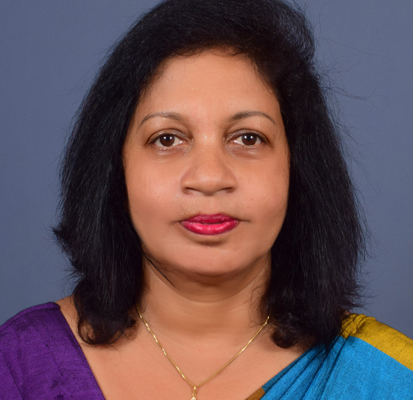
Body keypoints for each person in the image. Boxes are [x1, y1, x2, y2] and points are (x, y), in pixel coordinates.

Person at [1, 0, 412, 399]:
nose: (210, 177)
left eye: (248, 138)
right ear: (115, 170)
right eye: (167, 139)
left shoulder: (386, 380)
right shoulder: (20, 367)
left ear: (297, 169)